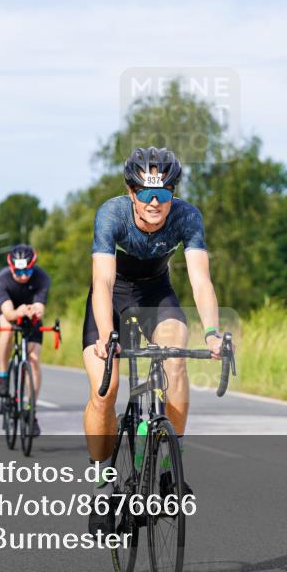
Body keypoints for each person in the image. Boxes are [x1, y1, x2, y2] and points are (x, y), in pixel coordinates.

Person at [83, 147, 223, 534]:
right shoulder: (111, 214)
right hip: (111, 298)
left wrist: (211, 332)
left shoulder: (186, 216)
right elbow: (103, 281)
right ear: (132, 193)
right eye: (146, 194)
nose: (156, 202)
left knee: (175, 360)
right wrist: (106, 333)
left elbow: (200, 280)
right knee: (104, 389)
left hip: (156, 294)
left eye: (164, 193)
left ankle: (168, 468)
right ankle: (101, 485)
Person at [0, 244, 51, 437]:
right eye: (19, 271)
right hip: (10, 312)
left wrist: (34, 311)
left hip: (31, 315)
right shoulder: (0, 279)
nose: (24, 275)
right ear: (11, 267)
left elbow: (40, 307)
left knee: (33, 360)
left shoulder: (42, 277)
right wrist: (19, 312)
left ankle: (30, 410)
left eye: (28, 270)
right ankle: (3, 375)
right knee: (6, 328)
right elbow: (7, 312)